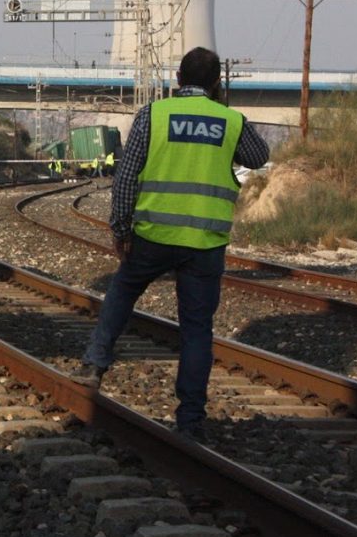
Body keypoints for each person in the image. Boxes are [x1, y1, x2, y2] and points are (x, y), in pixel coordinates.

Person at [75, 47, 269, 442]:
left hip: (153, 234)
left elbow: (127, 177)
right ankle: (192, 417)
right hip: (204, 241)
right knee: (197, 328)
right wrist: (226, 111)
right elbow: (260, 156)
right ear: (217, 84)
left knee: (122, 292)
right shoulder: (230, 121)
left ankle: (95, 364)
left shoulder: (153, 115)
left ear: (178, 79)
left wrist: (121, 228)